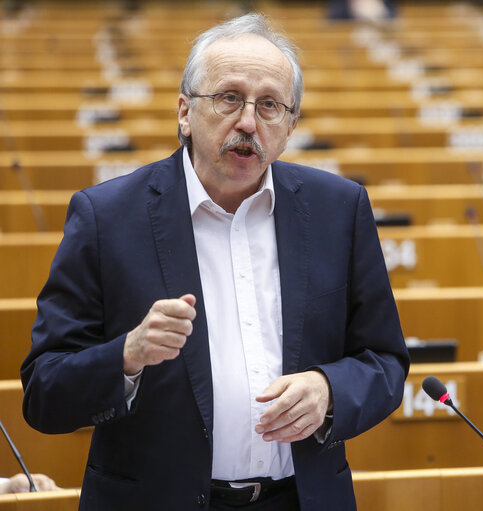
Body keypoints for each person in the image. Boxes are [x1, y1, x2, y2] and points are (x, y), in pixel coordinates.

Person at [21, 12, 408, 511]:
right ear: (184, 112)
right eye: (229, 98)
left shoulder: (339, 209)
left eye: (270, 105)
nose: (248, 121)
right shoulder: (106, 217)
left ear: (289, 126)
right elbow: (44, 390)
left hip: (300, 500)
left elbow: (385, 362)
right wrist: (128, 355)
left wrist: (329, 389)